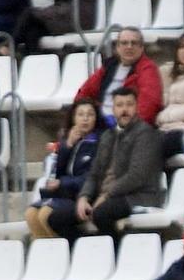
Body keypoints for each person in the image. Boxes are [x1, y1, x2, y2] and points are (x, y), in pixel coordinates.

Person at [74, 86, 164, 234]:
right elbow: (94, 173)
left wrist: (106, 195)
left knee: (101, 213)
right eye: (120, 105)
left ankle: (117, 250)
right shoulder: (107, 135)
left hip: (139, 195)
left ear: (136, 107)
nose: (125, 110)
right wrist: (84, 197)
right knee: (66, 215)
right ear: (113, 109)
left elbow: (136, 176)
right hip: (111, 195)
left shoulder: (145, 134)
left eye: (129, 104)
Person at [27, 99, 104, 239]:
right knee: (31, 214)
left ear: (96, 118)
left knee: (46, 215)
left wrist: (63, 183)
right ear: (73, 118)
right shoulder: (69, 141)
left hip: (83, 197)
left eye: (90, 114)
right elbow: (58, 173)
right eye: (80, 114)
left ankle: (61, 252)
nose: (85, 118)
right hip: (63, 195)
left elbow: (92, 177)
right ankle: (46, 252)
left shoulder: (100, 142)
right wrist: (67, 146)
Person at [74, 27, 165, 124]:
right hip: (99, 121)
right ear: (117, 47)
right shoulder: (108, 66)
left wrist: (129, 127)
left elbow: (149, 105)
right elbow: (84, 93)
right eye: (124, 43)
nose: (129, 47)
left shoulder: (147, 69)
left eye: (134, 43)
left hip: (127, 125)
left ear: (141, 47)